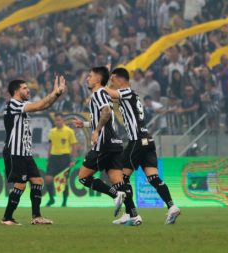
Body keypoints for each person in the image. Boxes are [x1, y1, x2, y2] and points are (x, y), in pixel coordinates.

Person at [105, 67, 180, 225]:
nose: (112, 83)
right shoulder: (132, 96)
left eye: (113, 80)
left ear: (120, 79)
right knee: (153, 178)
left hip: (137, 141)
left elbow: (109, 94)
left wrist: (103, 80)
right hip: (147, 140)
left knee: (121, 178)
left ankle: (130, 214)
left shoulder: (128, 92)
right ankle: (172, 207)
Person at [71, 67, 137, 224]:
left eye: (90, 76)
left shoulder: (98, 93)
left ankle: (115, 195)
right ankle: (133, 214)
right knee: (119, 181)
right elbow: (105, 117)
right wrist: (86, 123)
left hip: (104, 144)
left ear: (97, 80)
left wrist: (96, 131)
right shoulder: (103, 94)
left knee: (83, 177)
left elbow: (106, 112)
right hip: (114, 144)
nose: (87, 78)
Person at [1, 76, 66, 225]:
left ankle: (36, 217)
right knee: (21, 184)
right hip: (15, 151)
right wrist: (55, 92)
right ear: (16, 91)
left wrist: (57, 94)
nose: (28, 89)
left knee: (37, 181)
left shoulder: (22, 104)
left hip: (25, 152)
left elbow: (43, 106)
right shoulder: (13, 104)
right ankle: (7, 217)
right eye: (24, 88)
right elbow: (38, 106)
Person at [45, 113, 77, 207]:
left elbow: (74, 145)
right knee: (48, 179)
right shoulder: (52, 131)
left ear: (63, 120)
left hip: (65, 157)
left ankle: (64, 201)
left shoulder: (69, 131)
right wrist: (48, 158)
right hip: (54, 158)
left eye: (59, 120)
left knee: (63, 181)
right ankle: (51, 199)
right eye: (56, 120)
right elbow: (50, 145)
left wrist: (73, 160)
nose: (57, 122)